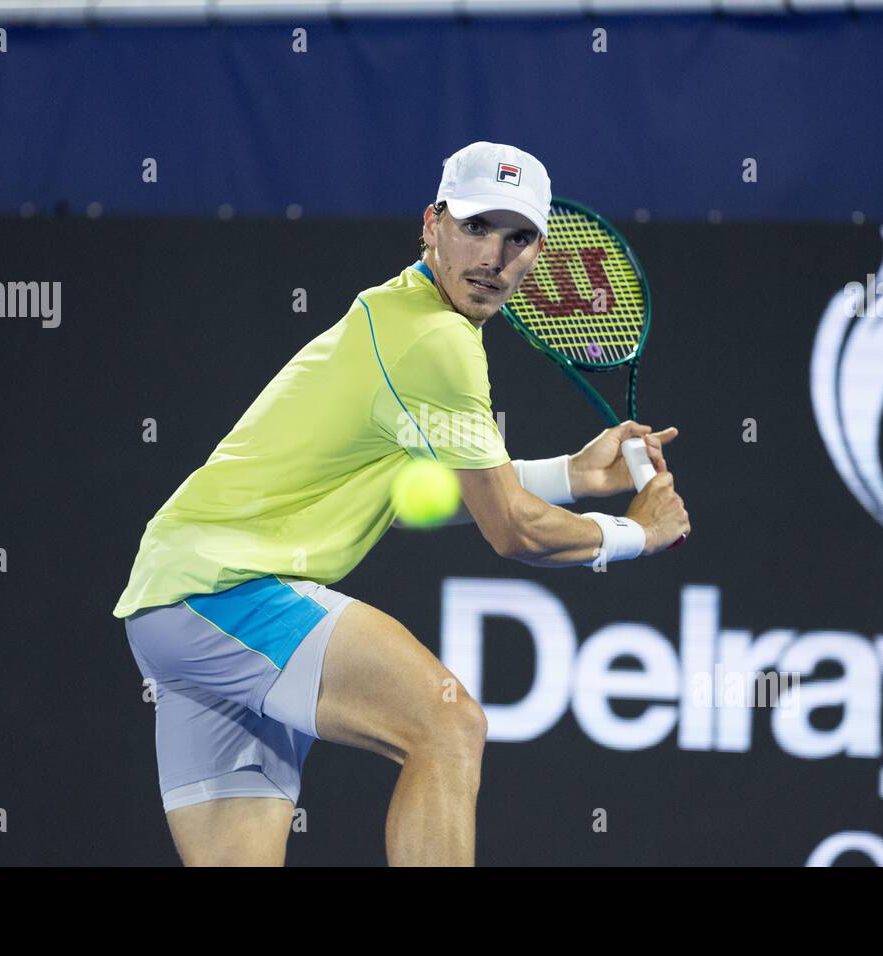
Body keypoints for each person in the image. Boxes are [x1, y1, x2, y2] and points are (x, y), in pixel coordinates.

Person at [112, 141, 690, 866]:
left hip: (171, 605)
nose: (495, 256)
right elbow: (509, 530)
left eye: (518, 238)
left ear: (539, 253)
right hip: (222, 591)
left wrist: (571, 474)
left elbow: (428, 495)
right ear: (432, 224)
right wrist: (633, 533)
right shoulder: (438, 343)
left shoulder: (402, 314)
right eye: (477, 227)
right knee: (445, 725)